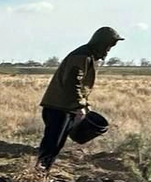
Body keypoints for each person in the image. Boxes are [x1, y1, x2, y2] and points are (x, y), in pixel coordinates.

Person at [36, 26, 125, 173]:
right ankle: (38, 175)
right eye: (110, 44)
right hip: (59, 107)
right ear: (101, 43)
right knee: (52, 143)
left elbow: (78, 85)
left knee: (56, 144)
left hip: (64, 106)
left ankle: (42, 174)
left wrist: (84, 104)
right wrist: (80, 106)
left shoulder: (88, 55)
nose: (110, 48)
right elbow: (73, 83)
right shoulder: (82, 56)